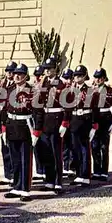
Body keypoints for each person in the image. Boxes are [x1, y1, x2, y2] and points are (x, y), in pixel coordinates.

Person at [0, 63, 42, 202]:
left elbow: (38, 112)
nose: (17, 76)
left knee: (25, 159)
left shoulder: (32, 91)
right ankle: (16, 186)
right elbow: (4, 110)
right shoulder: (9, 89)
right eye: (16, 73)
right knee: (15, 159)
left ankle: (25, 189)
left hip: (25, 126)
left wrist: (36, 132)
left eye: (20, 74)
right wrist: (3, 128)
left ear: (25, 76)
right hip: (12, 125)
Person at [37, 57, 71, 192]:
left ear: (55, 69)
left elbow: (68, 105)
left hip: (57, 119)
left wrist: (65, 123)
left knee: (56, 152)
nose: (47, 71)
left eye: (50, 68)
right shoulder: (43, 82)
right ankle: (49, 180)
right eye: (46, 68)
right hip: (46, 119)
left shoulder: (61, 84)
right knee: (46, 152)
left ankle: (58, 181)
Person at [67, 65, 99, 186]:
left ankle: (85, 175)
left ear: (85, 76)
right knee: (75, 148)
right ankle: (79, 174)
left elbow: (95, 109)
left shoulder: (90, 91)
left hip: (85, 120)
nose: (77, 77)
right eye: (75, 75)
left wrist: (94, 125)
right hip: (74, 120)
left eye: (79, 75)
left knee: (85, 149)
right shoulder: (71, 90)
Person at [91, 68, 112, 181]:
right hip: (95, 119)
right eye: (96, 77)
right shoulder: (91, 90)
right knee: (94, 146)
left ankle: (104, 172)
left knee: (104, 146)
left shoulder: (110, 91)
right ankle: (97, 171)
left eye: (100, 77)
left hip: (105, 118)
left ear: (104, 78)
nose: (98, 80)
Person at [0, 61, 17, 186]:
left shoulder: (16, 85)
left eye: (11, 71)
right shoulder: (3, 83)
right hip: (3, 118)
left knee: (12, 148)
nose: (9, 73)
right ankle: (7, 174)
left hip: (11, 119)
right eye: (7, 71)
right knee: (4, 148)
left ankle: (15, 175)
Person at [60, 68, 76, 176]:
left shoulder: (75, 89)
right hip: (63, 119)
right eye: (66, 78)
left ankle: (71, 166)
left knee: (73, 144)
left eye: (70, 78)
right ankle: (65, 166)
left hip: (74, 119)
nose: (68, 81)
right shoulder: (60, 89)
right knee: (64, 144)